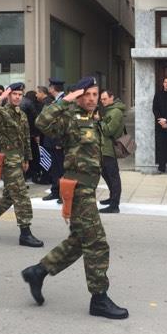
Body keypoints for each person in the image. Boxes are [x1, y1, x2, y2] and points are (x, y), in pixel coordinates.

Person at [22, 76, 128, 320]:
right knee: (97, 243)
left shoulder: (93, 118)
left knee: (79, 241)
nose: (91, 99)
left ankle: (38, 271)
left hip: (88, 188)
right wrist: (65, 100)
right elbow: (41, 122)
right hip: (78, 189)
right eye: (86, 94)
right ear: (77, 96)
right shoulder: (69, 117)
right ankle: (99, 298)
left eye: (94, 94)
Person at [0, 83, 43, 247]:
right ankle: (25, 233)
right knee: (22, 196)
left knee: (10, 197)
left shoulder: (22, 115)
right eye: (14, 94)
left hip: (19, 160)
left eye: (20, 94)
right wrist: (2, 96)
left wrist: (26, 159)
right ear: (9, 96)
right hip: (8, 160)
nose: (17, 97)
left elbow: (26, 139)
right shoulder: (1, 112)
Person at [98, 89, 126, 213]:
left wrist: (99, 120)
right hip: (104, 148)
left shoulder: (115, 112)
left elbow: (108, 130)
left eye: (104, 99)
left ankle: (115, 205)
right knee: (106, 173)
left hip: (110, 149)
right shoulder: (110, 110)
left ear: (111, 98)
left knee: (113, 176)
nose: (102, 101)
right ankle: (112, 198)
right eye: (101, 99)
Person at [42, 78, 65, 201]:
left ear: (53, 88)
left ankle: (63, 193)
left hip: (58, 142)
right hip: (52, 140)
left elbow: (63, 124)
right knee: (55, 168)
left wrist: (59, 142)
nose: (49, 89)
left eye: (50, 87)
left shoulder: (63, 101)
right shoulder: (56, 100)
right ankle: (55, 191)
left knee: (61, 169)